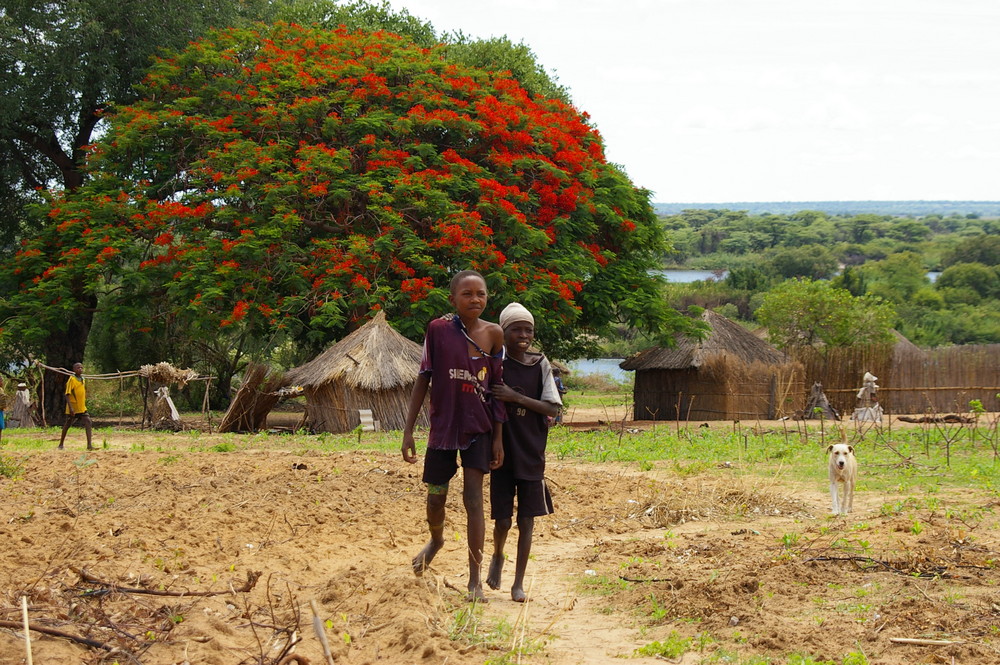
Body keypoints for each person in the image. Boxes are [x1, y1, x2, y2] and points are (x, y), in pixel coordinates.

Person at [401, 270, 506, 602]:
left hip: (478, 427)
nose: (475, 299)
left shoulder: (494, 334)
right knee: (436, 498)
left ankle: (474, 579)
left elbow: (497, 388)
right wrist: (407, 431)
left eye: (481, 294)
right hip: (443, 429)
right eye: (467, 294)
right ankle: (436, 539)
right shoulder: (438, 330)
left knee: (474, 500)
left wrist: (498, 437)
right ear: (452, 299)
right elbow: (423, 378)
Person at [486, 302, 562, 602]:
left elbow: (552, 408)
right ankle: (497, 554)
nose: (522, 335)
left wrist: (515, 397)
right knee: (503, 520)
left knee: (527, 520)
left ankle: (518, 583)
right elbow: (494, 408)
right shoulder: (496, 364)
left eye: (527, 330)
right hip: (502, 451)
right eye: (515, 329)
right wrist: (497, 441)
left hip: (532, 451)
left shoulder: (540, 363)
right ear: (502, 332)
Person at [58, 362, 94, 450]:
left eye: (81, 367)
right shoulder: (72, 379)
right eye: (78, 368)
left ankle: (89, 445)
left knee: (88, 422)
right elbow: (67, 394)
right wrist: (71, 408)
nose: (80, 369)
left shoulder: (83, 379)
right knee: (68, 424)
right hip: (73, 407)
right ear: (74, 370)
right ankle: (61, 444)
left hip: (81, 407)